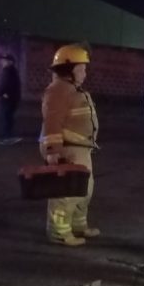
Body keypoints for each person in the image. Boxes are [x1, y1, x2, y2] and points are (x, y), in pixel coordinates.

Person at [39, 44, 99, 247]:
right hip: (66, 148)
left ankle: (78, 225)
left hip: (80, 149)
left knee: (84, 190)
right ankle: (59, 233)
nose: (85, 73)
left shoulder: (71, 89)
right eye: (81, 69)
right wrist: (53, 151)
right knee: (65, 193)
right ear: (69, 69)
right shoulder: (57, 90)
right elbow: (52, 122)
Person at [0, 53, 22, 145]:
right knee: (9, 118)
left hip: (7, 99)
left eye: (5, 60)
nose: (2, 62)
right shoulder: (13, 71)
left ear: (11, 62)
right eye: (2, 60)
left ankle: (7, 138)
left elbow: (4, 84)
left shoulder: (7, 71)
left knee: (6, 118)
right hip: (12, 98)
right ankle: (9, 136)